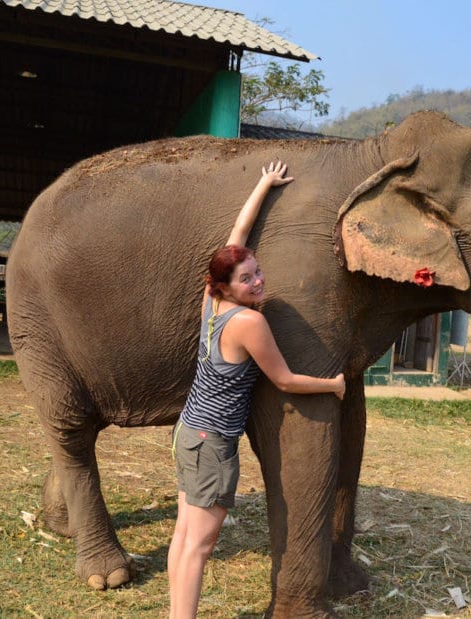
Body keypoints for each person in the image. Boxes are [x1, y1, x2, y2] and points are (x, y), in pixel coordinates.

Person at [167, 161, 346, 619]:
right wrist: (333, 382)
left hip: (189, 432)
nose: (258, 281)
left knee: (184, 537)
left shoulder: (212, 303)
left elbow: (237, 234)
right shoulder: (249, 322)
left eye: (258, 272)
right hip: (212, 444)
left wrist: (264, 185)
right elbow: (284, 379)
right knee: (200, 546)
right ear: (227, 285)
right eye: (247, 278)